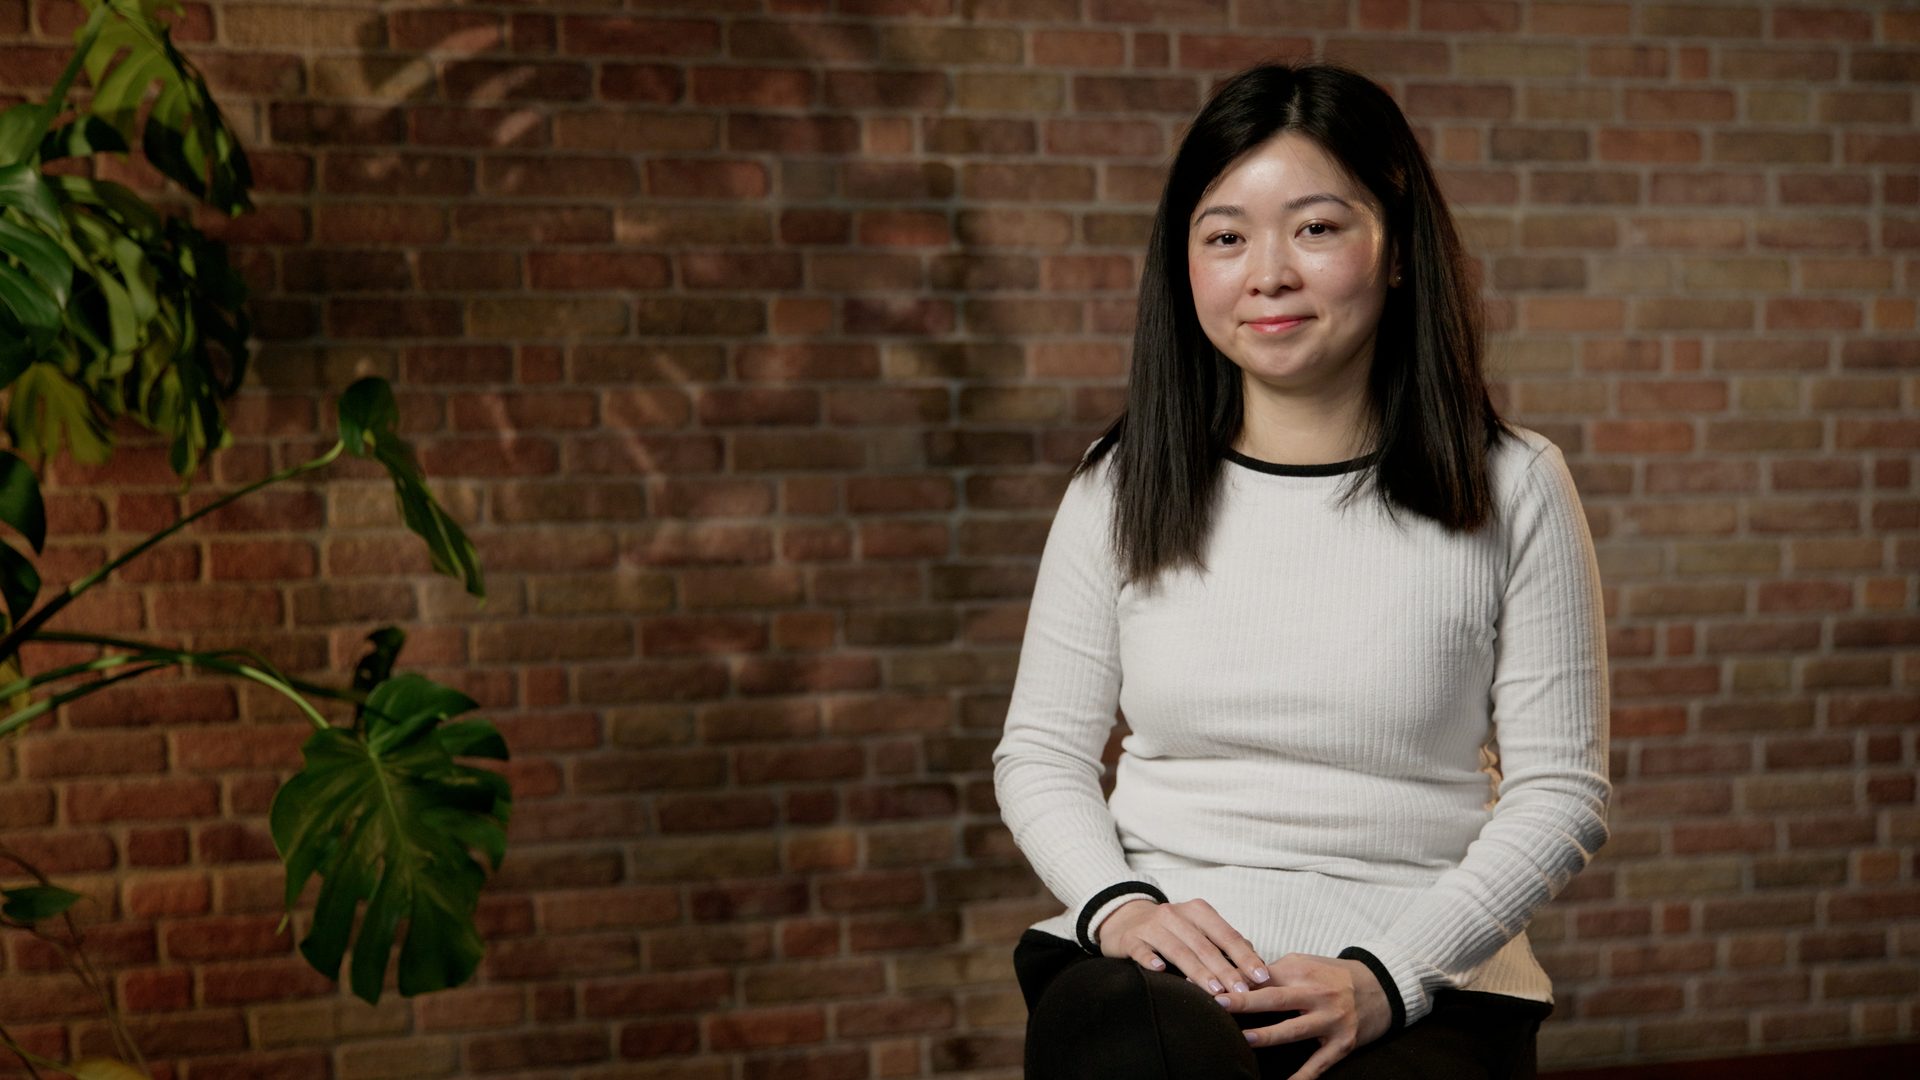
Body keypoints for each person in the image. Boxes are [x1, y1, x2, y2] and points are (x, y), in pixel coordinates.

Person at [990, 61, 1611, 1080]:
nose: (1267, 273)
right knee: (1125, 1034)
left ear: (1398, 250)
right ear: (1185, 265)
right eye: (1226, 236)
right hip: (1159, 970)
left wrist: (1387, 975)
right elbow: (1041, 753)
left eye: (1316, 228)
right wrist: (1121, 906)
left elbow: (1561, 793)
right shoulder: (1121, 482)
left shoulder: (1517, 484)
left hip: (1419, 972)